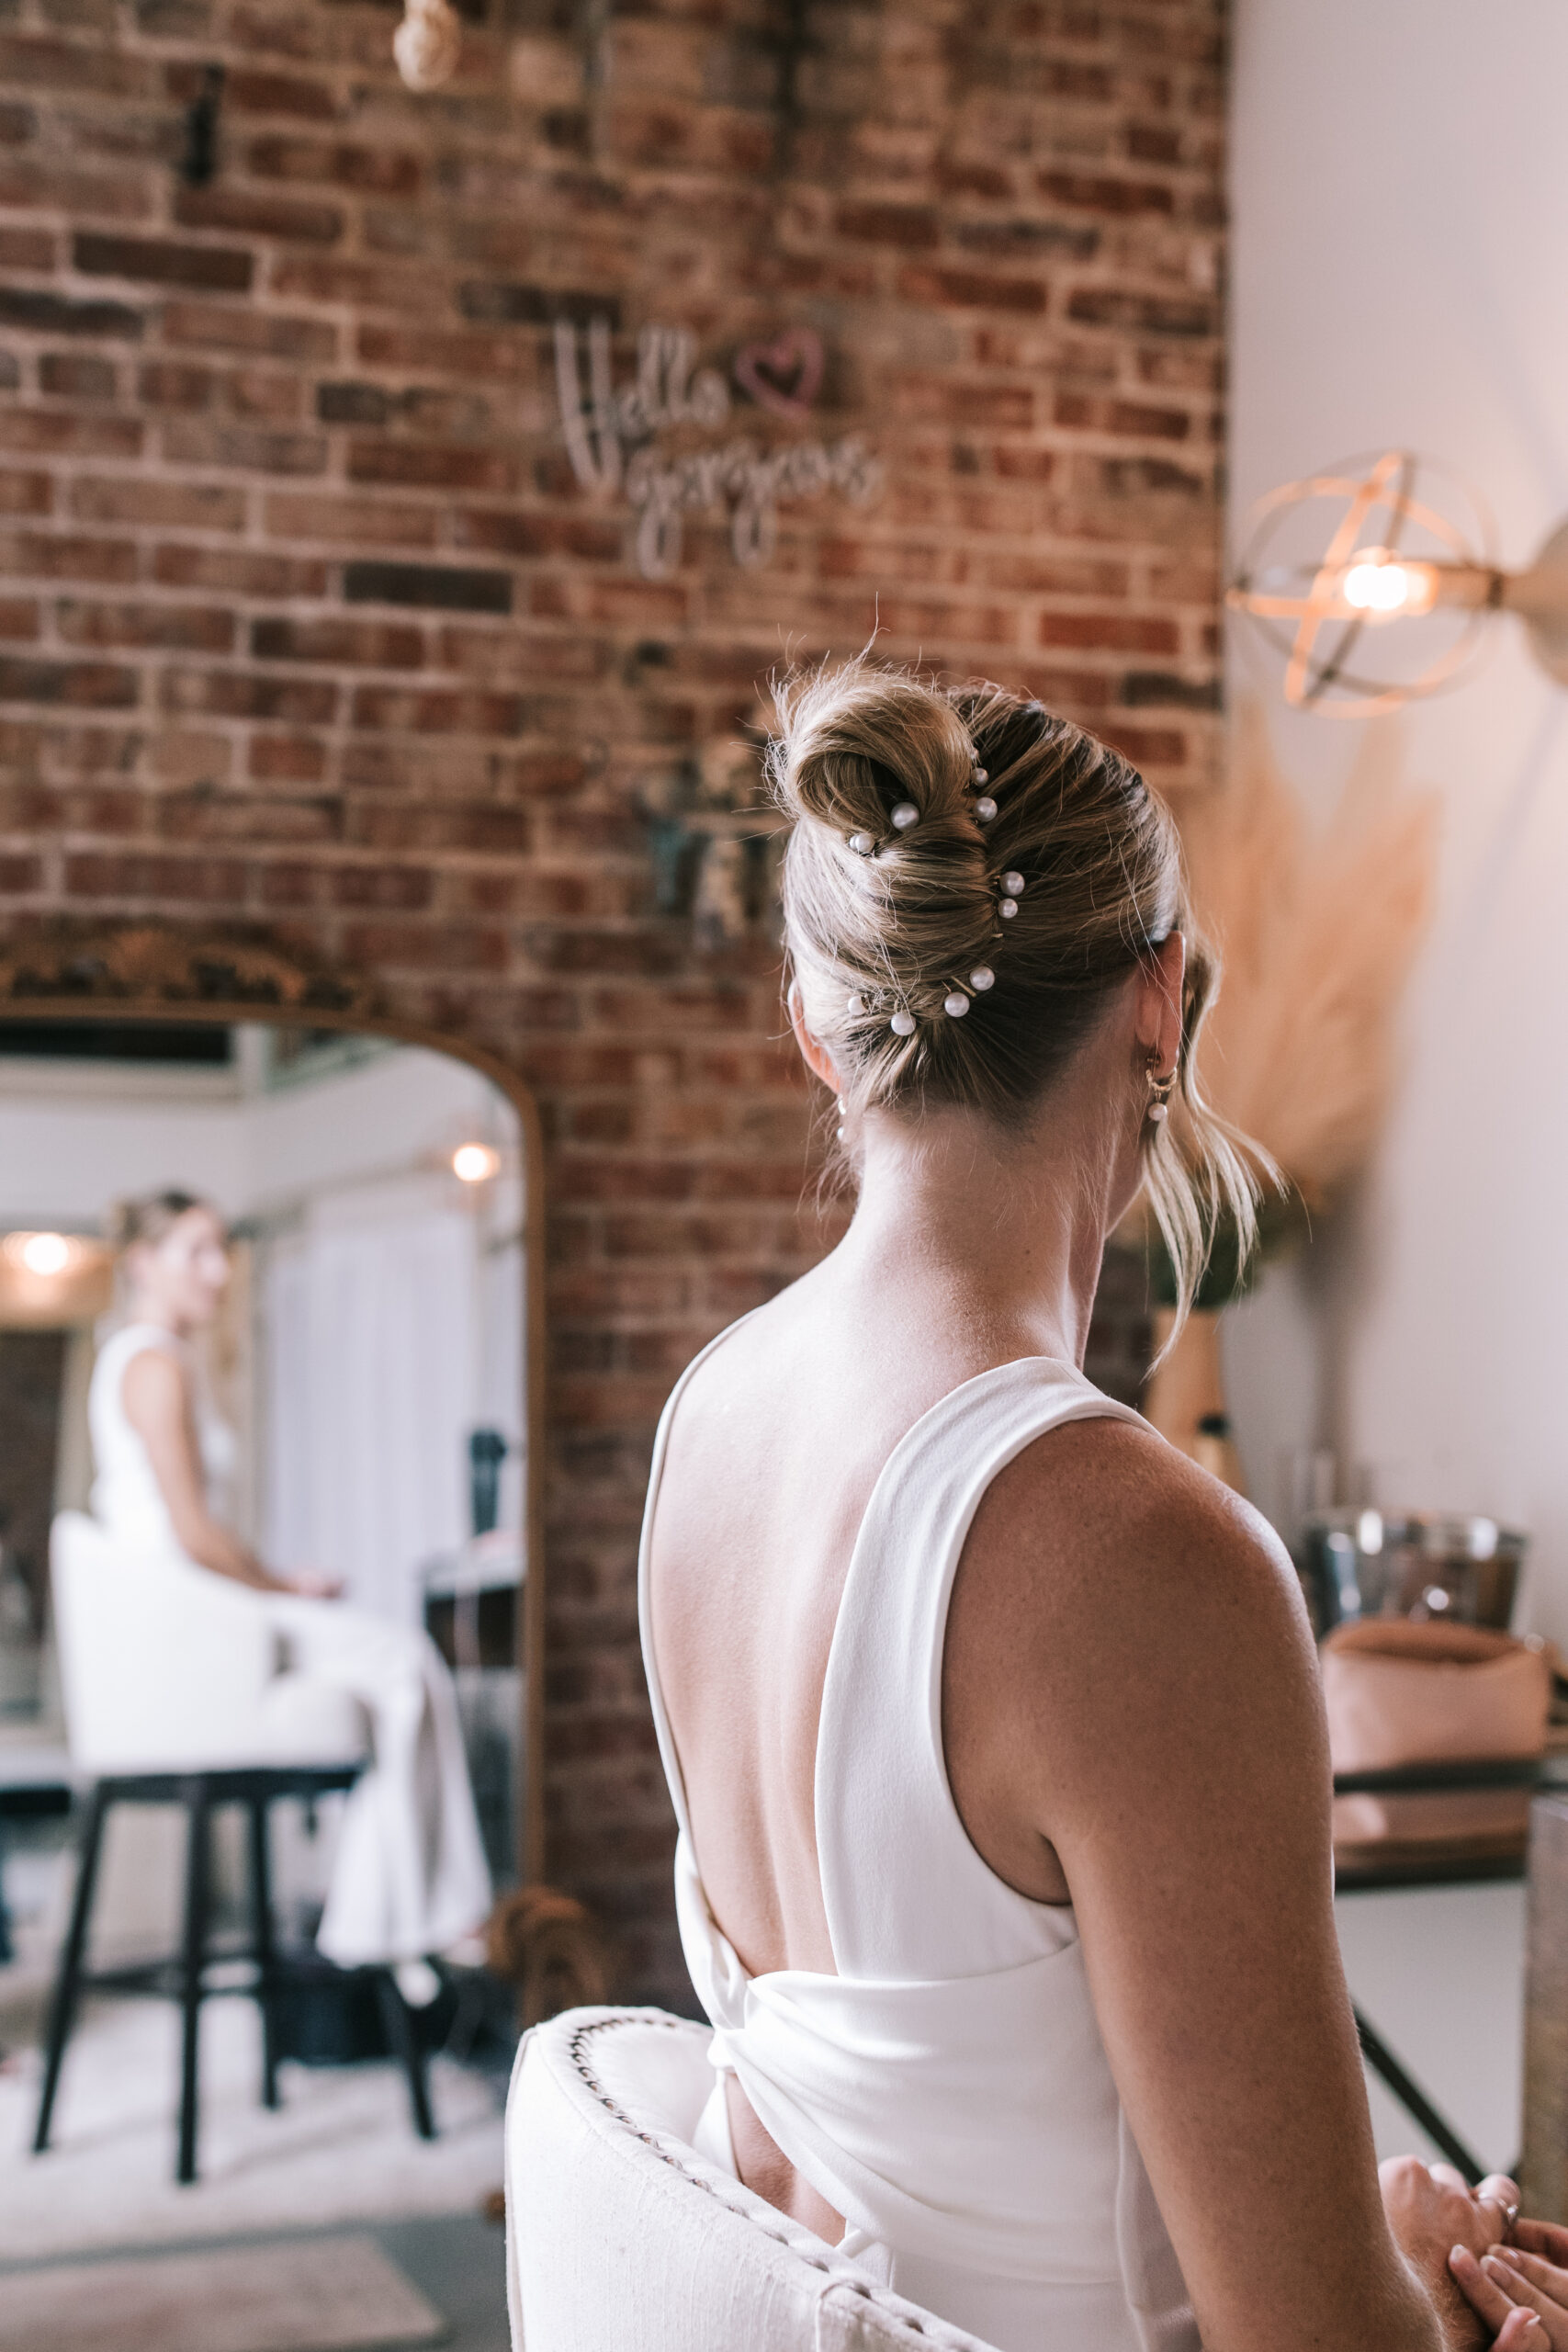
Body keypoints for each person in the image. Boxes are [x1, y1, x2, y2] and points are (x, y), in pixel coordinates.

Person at [640, 661, 1548, 2352]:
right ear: (1161, 1002)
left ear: (812, 1028)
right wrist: (1420, 2278)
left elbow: (952, 2150)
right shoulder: (1142, 1551)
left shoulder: (711, 1421)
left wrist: (1349, 2230)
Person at [88, 1189, 491, 2005]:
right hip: (191, 1629)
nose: (218, 1269)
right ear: (143, 1263)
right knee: (406, 1659)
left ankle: (394, 1918)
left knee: (386, 1683)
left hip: (195, 1620)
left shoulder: (150, 1360)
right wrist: (285, 1585)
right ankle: (410, 1923)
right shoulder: (152, 1363)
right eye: (196, 1250)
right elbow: (193, 1535)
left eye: (221, 1249)